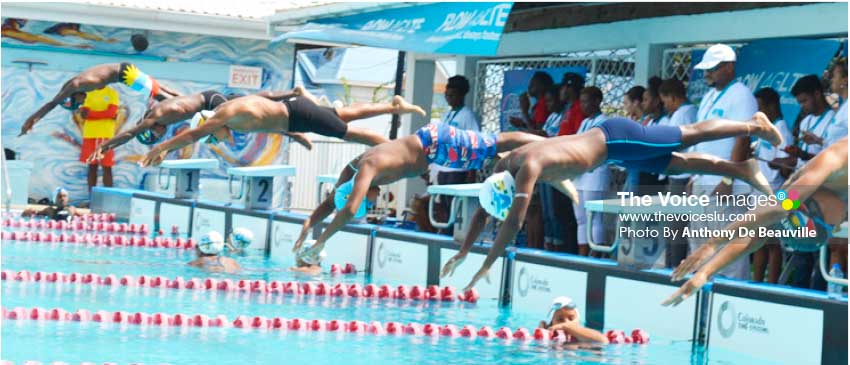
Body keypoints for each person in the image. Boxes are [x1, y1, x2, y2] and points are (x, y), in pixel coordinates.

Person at [443, 113, 784, 291]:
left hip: (617, 138)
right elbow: (484, 214)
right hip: (611, 153)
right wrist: (463, 251)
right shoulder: (506, 165)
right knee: (676, 163)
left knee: (689, 133)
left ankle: (751, 126)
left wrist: (486, 264)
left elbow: (514, 223)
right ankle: (740, 168)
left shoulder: (527, 169)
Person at [292, 123, 548, 260]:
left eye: (366, 204)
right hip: (434, 147)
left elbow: (347, 209)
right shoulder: (350, 171)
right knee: (495, 151)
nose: (371, 203)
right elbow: (332, 202)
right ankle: (541, 147)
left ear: (356, 193)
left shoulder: (367, 168)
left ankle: (548, 143)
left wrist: (323, 239)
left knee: (494, 143)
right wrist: (308, 222)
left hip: (434, 144)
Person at [664, 137, 848, 306]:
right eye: (833, 227)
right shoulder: (792, 192)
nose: (838, 226)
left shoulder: (827, 164)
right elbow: (758, 232)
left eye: (830, 226)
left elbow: (778, 208)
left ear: (804, 208)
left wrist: (712, 244)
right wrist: (705, 273)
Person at [138, 94, 427, 167]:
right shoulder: (230, 113)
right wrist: (297, 136)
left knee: (353, 134)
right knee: (344, 113)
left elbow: (192, 135)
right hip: (296, 115)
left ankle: (401, 152)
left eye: (214, 136)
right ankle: (393, 106)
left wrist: (160, 148)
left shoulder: (225, 114)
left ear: (211, 126)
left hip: (298, 113)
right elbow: (271, 118)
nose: (219, 140)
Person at [89, 88, 316, 160]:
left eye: (155, 136)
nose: (159, 135)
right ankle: (293, 97)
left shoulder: (155, 117)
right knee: (253, 102)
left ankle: (293, 132)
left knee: (250, 118)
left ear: (149, 127)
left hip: (210, 102)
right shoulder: (159, 110)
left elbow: (129, 133)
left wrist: (104, 146)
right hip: (206, 102)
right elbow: (174, 96)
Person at [690, 43, 759, 280]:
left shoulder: (741, 95)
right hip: (704, 182)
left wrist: (728, 179)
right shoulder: (710, 96)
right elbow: (700, 137)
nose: (706, 73)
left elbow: (742, 140)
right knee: (700, 247)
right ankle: (701, 295)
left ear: (729, 67)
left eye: (712, 68)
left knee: (728, 250)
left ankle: (733, 297)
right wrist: (694, 175)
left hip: (726, 185)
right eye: (706, 69)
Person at [20, 63, 180, 136]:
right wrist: (34, 119)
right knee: (160, 89)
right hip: (126, 72)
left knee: (159, 96)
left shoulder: (76, 84)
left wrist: (32, 119)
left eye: (79, 102)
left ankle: (188, 106)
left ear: (73, 96)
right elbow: (55, 101)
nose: (83, 102)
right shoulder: (74, 86)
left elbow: (52, 103)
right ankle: (185, 99)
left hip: (126, 75)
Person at [751, 88, 793, 283]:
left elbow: (786, 167)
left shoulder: (781, 128)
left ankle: (771, 284)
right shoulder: (764, 130)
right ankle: (757, 282)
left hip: (774, 192)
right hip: (760, 192)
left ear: (771, 106)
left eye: (760, 108)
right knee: (759, 242)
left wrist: (777, 162)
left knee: (773, 244)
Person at [430, 75, 481, 228]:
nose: (448, 98)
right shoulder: (446, 115)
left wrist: (472, 170)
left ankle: (453, 234)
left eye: (452, 95)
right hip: (443, 168)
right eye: (447, 94)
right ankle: (446, 233)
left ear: (461, 95)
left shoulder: (468, 115)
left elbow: (475, 143)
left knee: (455, 206)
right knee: (443, 204)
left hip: (458, 169)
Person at [657, 78, 698, 268]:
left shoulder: (683, 114)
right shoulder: (689, 111)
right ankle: (672, 266)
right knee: (674, 229)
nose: (664, 106)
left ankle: (674, 268)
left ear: (672, 98)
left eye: (665, 101)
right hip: (679, 175)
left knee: (676, 230)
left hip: (682, 177)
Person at [573, 87, 611, 256]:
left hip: (595, 174)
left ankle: (596, 253)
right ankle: (583, 253)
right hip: (580, 175)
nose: (583, 105)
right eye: (581, 102)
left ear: (597, 101)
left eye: (587, 101)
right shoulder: (584, 122)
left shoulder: (604, 121)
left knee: (594, 217)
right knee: (581, 218)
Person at [788, 75, 836, 167]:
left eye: (804, 101)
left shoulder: (834, 120)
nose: (801, 106)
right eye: (799, 102)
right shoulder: (805, 122)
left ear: (817, 94)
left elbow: (835, 158)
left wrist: (804, 155)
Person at [539, 296, 609, 344]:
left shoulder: (586, 336)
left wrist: (565, 326)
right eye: (560, 320)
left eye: (571, 318)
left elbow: (603, 341)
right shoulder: (548, 341)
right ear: (551, 324)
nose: (567, 322)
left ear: (578, 320)